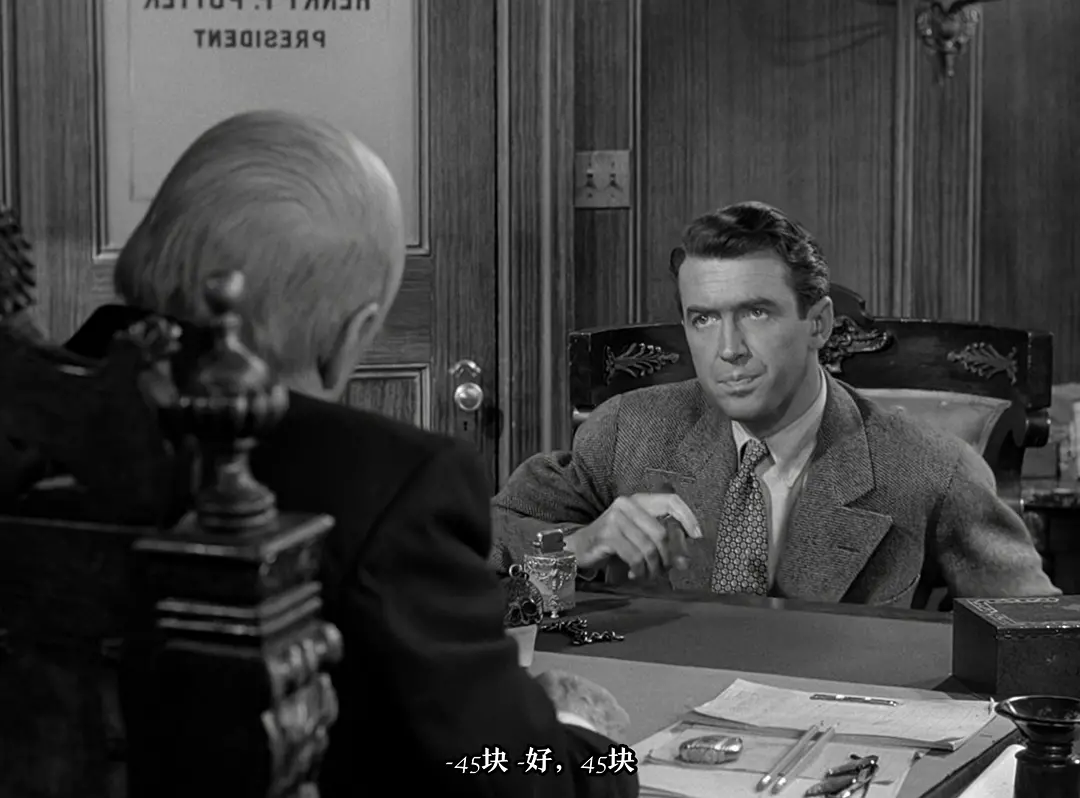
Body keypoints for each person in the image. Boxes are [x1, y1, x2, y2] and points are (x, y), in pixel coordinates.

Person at [63, 110, 638, 797]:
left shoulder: (24, 416)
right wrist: (590, 744)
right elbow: (510, 779)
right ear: (347, 338)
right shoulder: (383, 484)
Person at [491, 201, 1058, 606]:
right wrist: (575, 545)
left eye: (756, 313)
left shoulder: (932, 471)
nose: (729, 349)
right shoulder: (628, 430)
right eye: (703, 319)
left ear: (819, 324)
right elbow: (480, 543)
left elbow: (1037, 640)